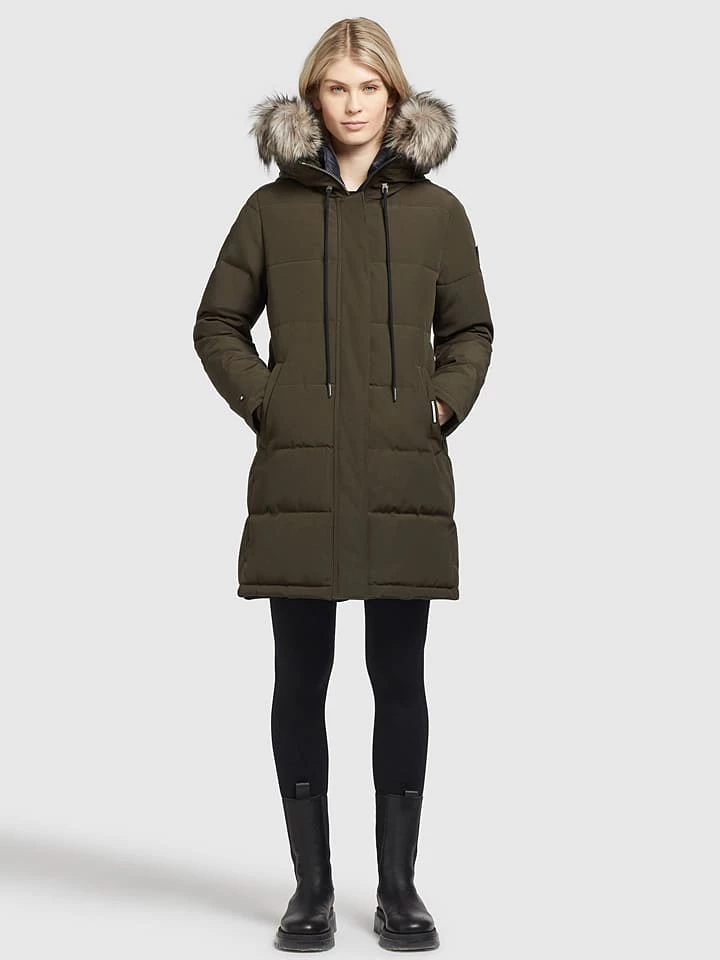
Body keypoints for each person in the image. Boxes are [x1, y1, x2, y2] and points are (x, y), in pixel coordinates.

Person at [193, 16, 494, 953]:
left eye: (369, 88)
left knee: (399, 678)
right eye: (336, 88)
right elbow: (217, 323)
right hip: (304, 476)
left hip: (403, 473)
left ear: (394, 97)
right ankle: (311, 889)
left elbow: (471, 331)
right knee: (301, 679)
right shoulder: (269, 210)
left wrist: (439, 406)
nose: (354, 105)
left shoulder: (439, 213)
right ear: (312, 98)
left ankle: (399, 887)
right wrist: (271, 404)